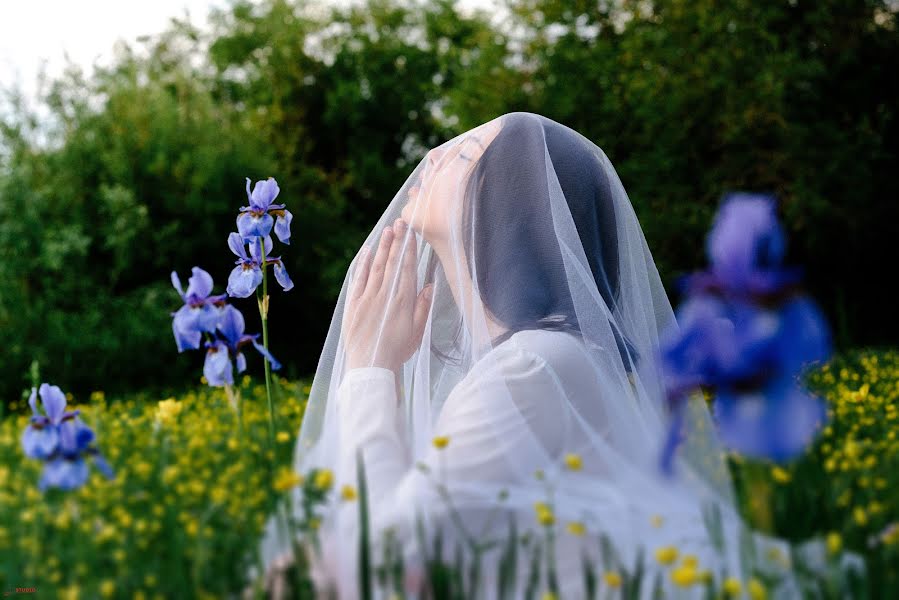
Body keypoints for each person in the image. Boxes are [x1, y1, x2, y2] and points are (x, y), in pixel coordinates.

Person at [250, 112, 804, 599]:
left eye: (463, 153)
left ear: (503, 199)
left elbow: (389, 553)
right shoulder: (519, 363)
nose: (432, 158)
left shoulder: (538, 364)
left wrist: (369, 370)